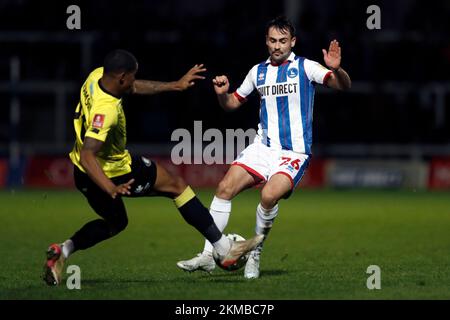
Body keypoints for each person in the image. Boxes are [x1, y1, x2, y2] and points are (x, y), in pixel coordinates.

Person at [43, 49, 263, 286]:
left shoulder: (97, 76)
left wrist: (175, 85)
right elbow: (88, 154)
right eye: (132, 76)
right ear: (122, 77)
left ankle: (63, 251)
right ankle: (223, 249)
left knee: (116, 222)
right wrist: (110, 187)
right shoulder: (105, 111)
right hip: (115, 173)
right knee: (177, 186)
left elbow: (134, 87)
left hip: (83, 175)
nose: (134, 81)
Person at [177, 16, 351, 279]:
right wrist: (223, 95)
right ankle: (209, 254)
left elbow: (343, 86)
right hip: (263, 148)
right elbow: (233, 105)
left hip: (293, 153)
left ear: (293, 42)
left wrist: (336, 69)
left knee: (269, 196)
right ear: (266, 41)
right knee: (224, 188)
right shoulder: (257, 72)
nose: (277, 46)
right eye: (272, 40)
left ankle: (255, 253)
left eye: (283, 41)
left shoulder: (306, 67)